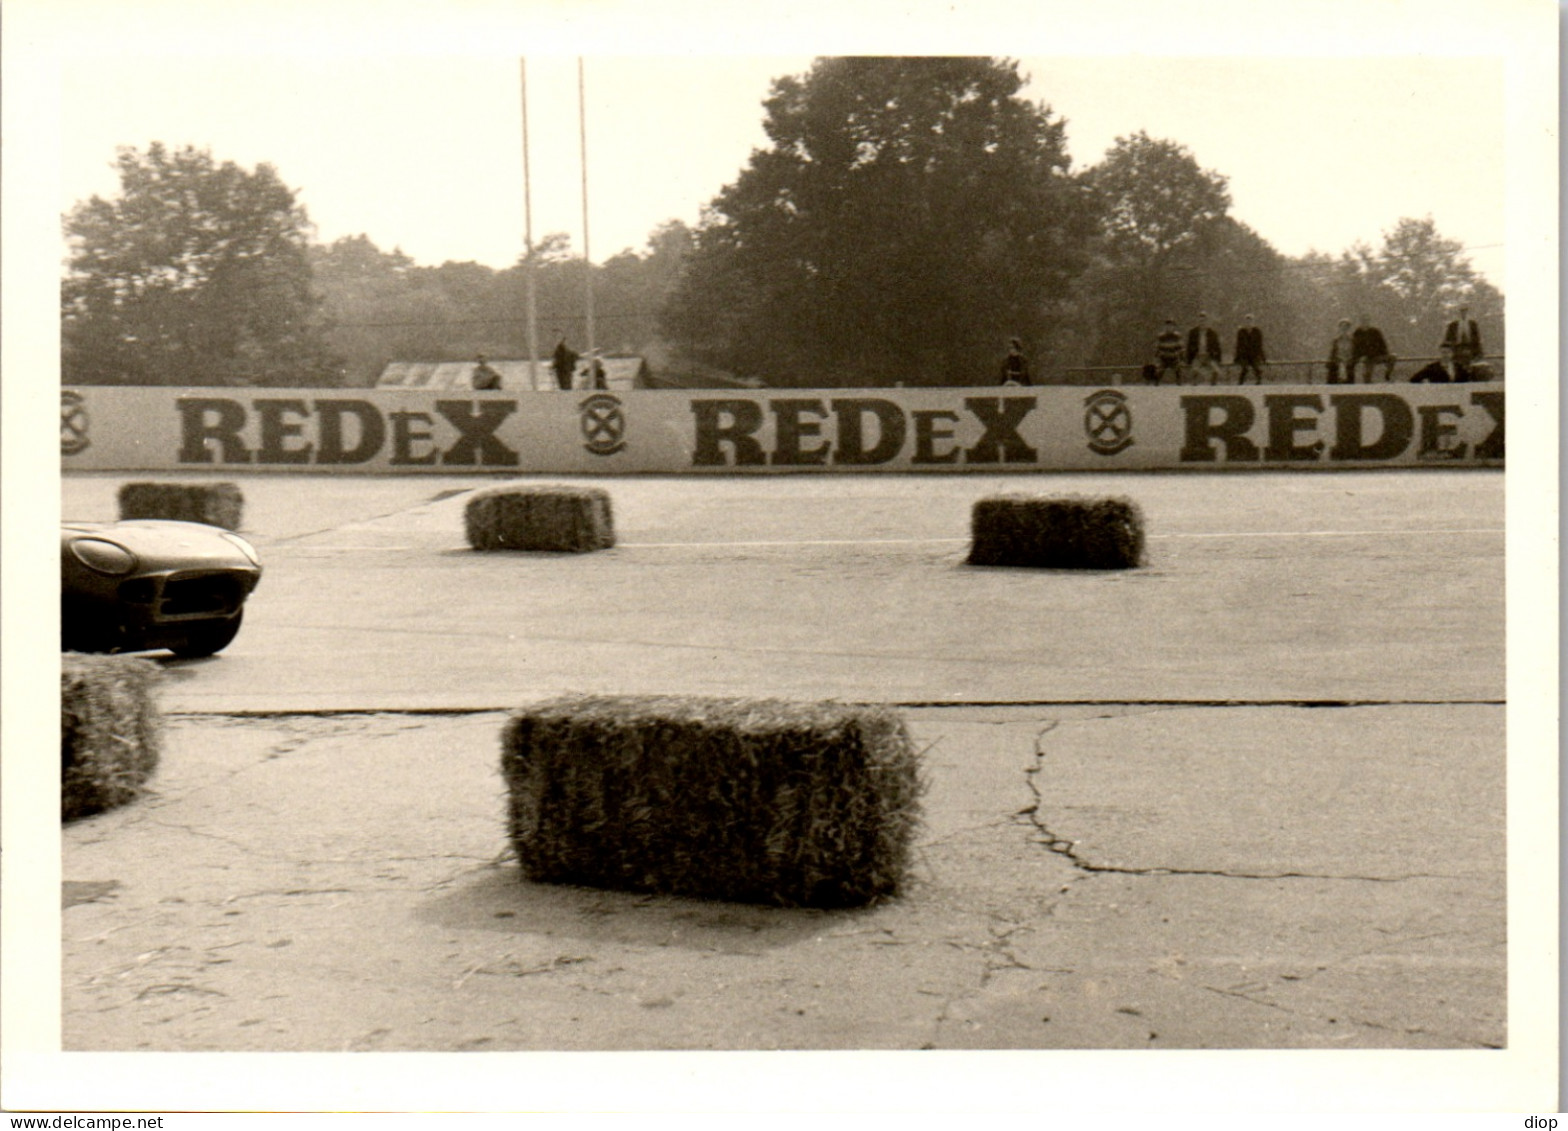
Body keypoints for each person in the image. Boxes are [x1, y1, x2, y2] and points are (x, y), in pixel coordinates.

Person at [1350, 315, 1397, 383]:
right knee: (1367, 374)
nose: (1365, 323)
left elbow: (1382, 344)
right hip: (1367, 358)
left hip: (1377, 355)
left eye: (1366, 321)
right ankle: (1367, 387)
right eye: (1363, 321)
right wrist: (1359, 357)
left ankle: (1388, 375)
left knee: (1393, 357)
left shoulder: (1375, 331)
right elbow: (1356, 347)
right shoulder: (1357, 333)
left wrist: (1384, 354)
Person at [1185, 313, 1223, 385]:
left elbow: (1217, 348)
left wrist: (1218, 360)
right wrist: (1189, 360)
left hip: (1209, 357)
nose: (1202, 323)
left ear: (1207, 322)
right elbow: (1189, 347)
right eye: (1200, 321)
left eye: (1204, 321)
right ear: (1198, 322)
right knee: (1194, 371)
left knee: (1216, 371)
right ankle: (1194, 390)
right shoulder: (1193, 332)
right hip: (1197, 357)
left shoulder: (1212, 333)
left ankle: (1213, 387)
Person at [1443, 304, 1483, 369]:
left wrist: (1478, 352)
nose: (1463, 313)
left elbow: (1477, 339)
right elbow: (1448, 339)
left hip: (1470, 349)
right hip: (1456, 350)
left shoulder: (1473, 324)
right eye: (1461, 311)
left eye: (1465, 311)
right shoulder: (1452, 325)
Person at [1232, 315, 1266, 384]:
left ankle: (1259, 383)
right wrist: (1237, 357)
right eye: (1247, 322)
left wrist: (1263, 357)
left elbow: (1259, 346)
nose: (1248, 324)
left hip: (1254, 355)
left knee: (1257, 368)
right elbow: (1239, 346)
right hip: (1244, 356)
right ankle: (1240, 383)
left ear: (1253, 322)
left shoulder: (1257, 332)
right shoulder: (1241, 332)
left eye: (1250, 322)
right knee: (1245, 368)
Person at [1151, 319, 1184, 384]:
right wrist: (1158, 358)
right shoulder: (1161, 337)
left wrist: (1177, 355)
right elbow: (1157, 349)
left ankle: (1179, 385)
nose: (1169, 328)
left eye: (1171, 326)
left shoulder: (1177, 336)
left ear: (1173, 327)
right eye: (1167, 326)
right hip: (1164, 359)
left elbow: (1181, 349)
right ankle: (1155, 386)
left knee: (1179, 369)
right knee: (1158, 371)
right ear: (1165, 327)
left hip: (1174, 359)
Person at [1326, 318, 1356, 384]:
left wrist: (1348, 360)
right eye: (1342, 328)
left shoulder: (1352, 341)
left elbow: (1354, 353)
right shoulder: (1336, 341)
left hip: (1349, 362)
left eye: (1346, 328)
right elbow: (1333, 353)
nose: (1344, 330)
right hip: (1338, 362)